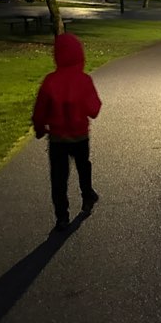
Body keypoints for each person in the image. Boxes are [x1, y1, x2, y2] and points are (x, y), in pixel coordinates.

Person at [32, 32, 102, 231]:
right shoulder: (84, 80)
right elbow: (94, 110)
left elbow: (40, 110)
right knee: (83, 166)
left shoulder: (50, 82)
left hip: (58, 139)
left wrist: (39, 128)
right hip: (79, 136)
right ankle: (87, 195)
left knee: (58, 178)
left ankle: (62, 216)